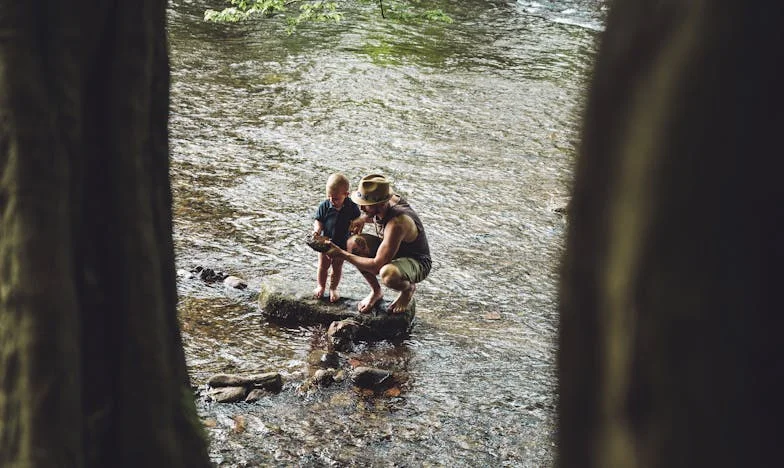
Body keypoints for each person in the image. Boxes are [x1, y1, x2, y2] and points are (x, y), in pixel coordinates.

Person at [327, 174, 431, 314]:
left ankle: (408, 290)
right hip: (392, 247)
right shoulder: (383, 198)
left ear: (381, 204)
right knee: (354, 244)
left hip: (417, 261)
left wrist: (341, 254)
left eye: (365, 205)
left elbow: (376, 266)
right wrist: (363, 219)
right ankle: (376, 292)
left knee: (388, 274)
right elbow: (375, 212)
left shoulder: (397, 224)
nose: (361, 208)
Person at [312, 173, 362, 302]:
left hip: (342, 243)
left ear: (346, 194)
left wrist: (356, 229)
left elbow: (358, 220)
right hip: (325, 242)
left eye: (335, 198)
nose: (331, 201)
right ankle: (321, 286)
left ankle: (333, 288)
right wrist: (317, 230)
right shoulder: (325, 205)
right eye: (328, 196)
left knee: (337, 267)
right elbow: (319, 220)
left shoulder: (352, 207)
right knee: (323, 266)